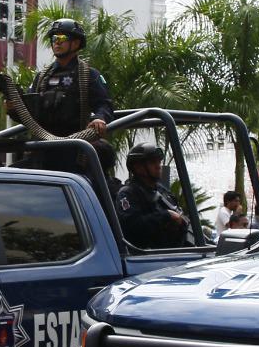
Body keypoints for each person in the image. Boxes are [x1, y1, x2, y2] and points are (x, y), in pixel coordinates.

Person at [23, 17, 114, 176]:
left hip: (74, 149)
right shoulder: (42, 77)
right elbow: (27, 110)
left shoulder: (89, 74)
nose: (57, 43)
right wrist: (12, 107)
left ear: (76, 43)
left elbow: (104, 104)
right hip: (42, 149)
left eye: (62, 38)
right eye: (54, 38)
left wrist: (100, 118)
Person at [118, 143, 189, 249]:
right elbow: (132, 226)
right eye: (152, 162)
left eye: (159, 162)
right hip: (146, 255)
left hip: (174, 252)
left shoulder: (162, 191)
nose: (158, 166)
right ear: (137, 167)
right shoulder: (127, 194)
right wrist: (167, 216)